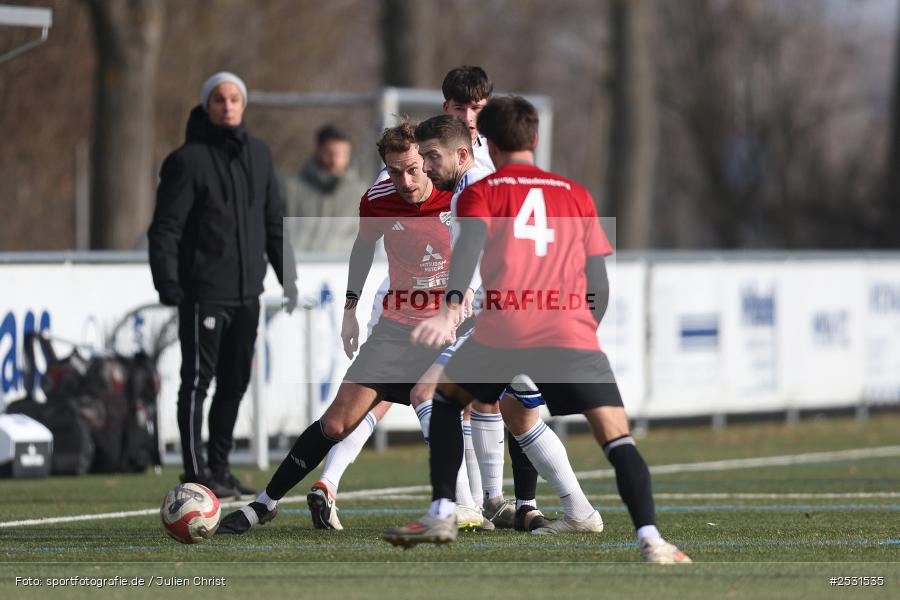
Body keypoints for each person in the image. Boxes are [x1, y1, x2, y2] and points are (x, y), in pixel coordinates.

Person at [383, 96, 692, 564]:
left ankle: (445, 511)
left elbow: (464, 260)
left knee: (438, 397)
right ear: (535, 139)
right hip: (569, 328)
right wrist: (583, 331)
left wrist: (448, 311)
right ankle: (653, 540)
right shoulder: (575, 193)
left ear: (483, 139)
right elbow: (599, 283)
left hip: (506, 326)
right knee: (617, 438)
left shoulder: (478, 193)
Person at [216, 122, 461, 535]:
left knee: (478, 409)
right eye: (396, 171)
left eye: (414, 169)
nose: (406, 180)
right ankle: (264, 504)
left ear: (427, 160)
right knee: (334, 425)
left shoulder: (460, 193)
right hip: (397, 328)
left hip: (450, 328)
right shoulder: (378, 199)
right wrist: (350, 309)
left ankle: (486, 504)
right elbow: (363, 247)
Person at [148, 71, 298, 500]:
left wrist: (288, 278)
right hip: (203, 291)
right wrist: (168, 282)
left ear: (243, 105)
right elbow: (165, 229)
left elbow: (273, 222)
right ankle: (196, 475)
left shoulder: (260, 154)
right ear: (207, 106)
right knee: (197, 381)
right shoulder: (187, 160)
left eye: (234, 99)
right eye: (219, 99)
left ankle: (220, 468)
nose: (227, 106)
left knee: (234, 384)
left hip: (247, 293)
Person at [281, 125, 368, 254]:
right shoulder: (291, 189)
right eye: (330, 153)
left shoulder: (360, 193)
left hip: (342, 269)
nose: (335, 160)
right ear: (317, 150)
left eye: (342, 154)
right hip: (298, 266)